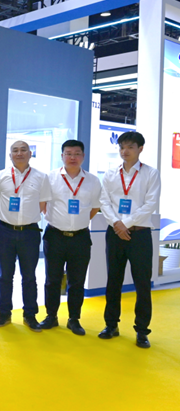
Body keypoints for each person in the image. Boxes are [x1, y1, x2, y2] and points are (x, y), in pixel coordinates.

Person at [99, 132, 160, 348]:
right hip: (115, 234)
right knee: (113, 280)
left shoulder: (150, 174)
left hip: (140, 235)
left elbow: (150, 204)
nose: (125, 151)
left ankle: (142, 331)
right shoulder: (110, 174)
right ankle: (111, 325)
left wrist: (126, 223)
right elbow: (104, 201)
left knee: (142, 283)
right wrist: (117, 224)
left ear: (140, 149)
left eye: (130, 147)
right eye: (122, 147)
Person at [0, 141, 51, 332]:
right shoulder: (0, 176)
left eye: (23, 150)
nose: (19, 153)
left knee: (29, 276)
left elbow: (42, 204)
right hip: (5, 231)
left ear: (30, 154)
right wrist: (8, 217)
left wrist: (25, 217)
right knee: (5, 275)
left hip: (30, 232)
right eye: (15, 150)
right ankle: (4, 313)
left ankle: (30, 315)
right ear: (10, 155)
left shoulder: (41, 177)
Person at [40, 140, 101, 336]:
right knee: (52, 280)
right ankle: (51, 316)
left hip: (80, 237)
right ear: (62, 156)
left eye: (77, 153)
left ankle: (74, 319)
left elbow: (95, 207)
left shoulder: (92, 181)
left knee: (77, 281)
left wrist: (78, 222)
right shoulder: (50, 178)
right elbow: (43, 204)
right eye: (68, 153)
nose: (72, 157)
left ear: (83, 156)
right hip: (55, 235)